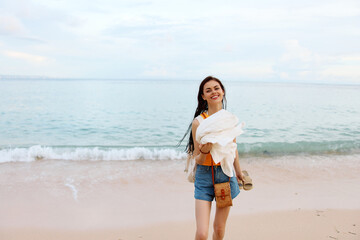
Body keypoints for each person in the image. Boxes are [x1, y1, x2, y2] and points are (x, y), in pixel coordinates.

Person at [180, 76, 245, 240]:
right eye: (208, 90)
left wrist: (239, 172)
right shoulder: (198, 123)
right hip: (204, 177)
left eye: (216, 88)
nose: (213, 92)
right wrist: (205, 152)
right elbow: (198, 159)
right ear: (203, 96)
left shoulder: (228, 119)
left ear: (222, 91)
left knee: (219, 229)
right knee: (202, 233)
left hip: (225, 175)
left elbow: (233, 148)